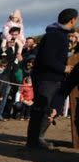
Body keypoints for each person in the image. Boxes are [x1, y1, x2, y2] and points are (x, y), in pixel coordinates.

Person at [27, 8, 77, 149]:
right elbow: (46, 58)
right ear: (73, 20)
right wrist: (64, 68)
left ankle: (36, 139)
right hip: (47, 79)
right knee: (43, 108)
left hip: (50, 78)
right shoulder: (55, 35)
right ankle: (36, 140)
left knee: (47, 108)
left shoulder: (57, 34)